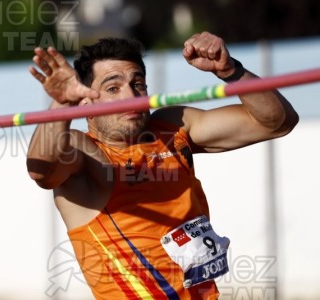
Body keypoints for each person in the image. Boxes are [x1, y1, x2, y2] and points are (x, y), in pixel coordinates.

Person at [26, 31, 298, 299]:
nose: (131, 97)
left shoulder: (172, 127)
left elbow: (277, 122)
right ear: (84, 99)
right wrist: (60, 106)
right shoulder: (85, 151)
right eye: (112, 88)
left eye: (138, 84)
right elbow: (42, 170)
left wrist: (231, 72)